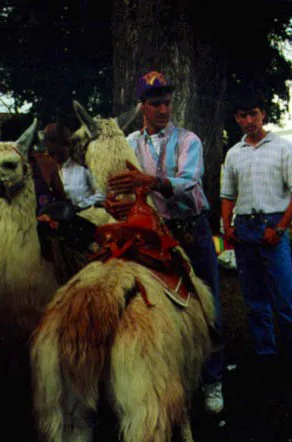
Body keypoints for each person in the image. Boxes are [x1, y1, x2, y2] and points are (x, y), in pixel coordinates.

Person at [104, 71, 226, 414]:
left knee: (207, 302)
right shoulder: (129, 142)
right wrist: (113, 201)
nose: (163, 109)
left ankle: (213, 379)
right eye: (156, 103)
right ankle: (174, 375)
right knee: (159, 302)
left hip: (191, 229)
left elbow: (189, 180)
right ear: (143, 106)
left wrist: (150, 180)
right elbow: (119, 184)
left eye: (167, 103)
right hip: (153, 231)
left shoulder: (189, 140)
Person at [220, 89, 292, 377]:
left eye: (253, 114)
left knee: (284, 300)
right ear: (236, 118)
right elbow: (227, 195)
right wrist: (227, 227)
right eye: (243, 115)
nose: (249, 121)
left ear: (263, 114)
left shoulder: (283, 148)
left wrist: (280, 228)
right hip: (244, 228)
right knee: (254, 300)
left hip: (272, 225)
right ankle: (265, 355)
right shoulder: (233, 154)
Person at [44, 122, 105, 210]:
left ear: (68, 146)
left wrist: (79, 206)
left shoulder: (84, 168)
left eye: (59, 150)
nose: (55, 156)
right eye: (52, 152)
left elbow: (101, 195)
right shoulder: (46, 171)